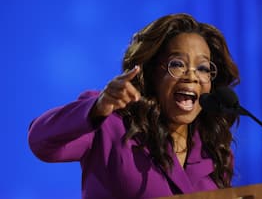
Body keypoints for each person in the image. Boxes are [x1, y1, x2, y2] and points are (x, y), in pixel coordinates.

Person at [28, 13, 240, 199]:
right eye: (177, 64)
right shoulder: (109, 123)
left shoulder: (215, 151)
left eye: (203, 68)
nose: (192, 76)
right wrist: (96, 108)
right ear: (151, 74)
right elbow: (41, 141)